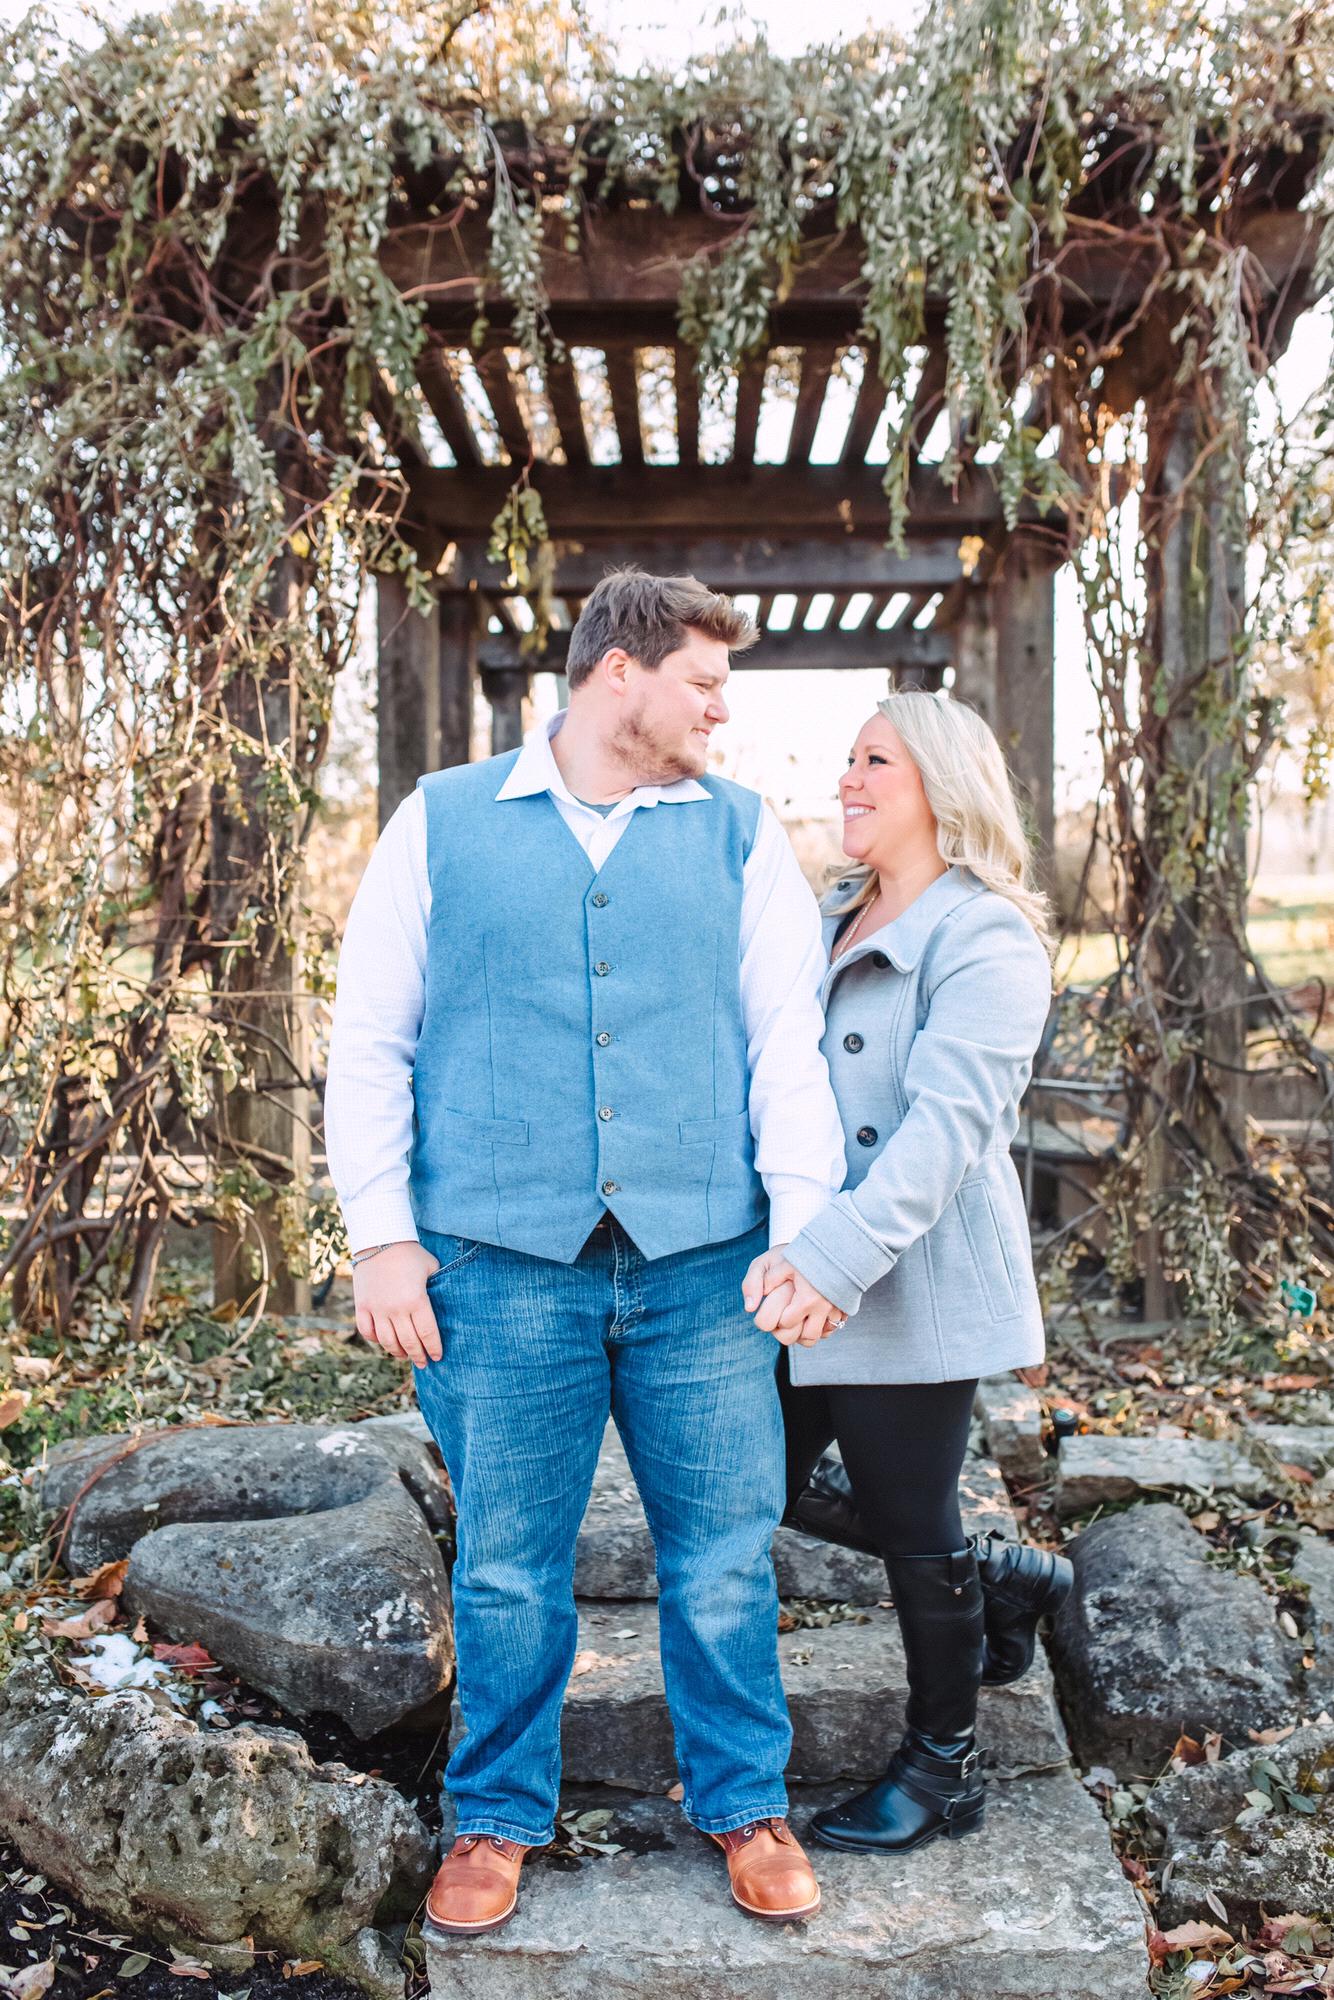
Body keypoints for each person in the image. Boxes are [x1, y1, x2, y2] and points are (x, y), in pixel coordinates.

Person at [323, 568, 848, 1937]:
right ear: (621, 672)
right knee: (507, 1562)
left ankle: (744, 1800)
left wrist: (805, 1236)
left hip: (703, 1262)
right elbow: (369, 1039)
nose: (719, 712)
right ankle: (493, 1818)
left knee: (723, 1556)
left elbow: (786, 1047)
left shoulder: (740, 835)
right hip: (498, 1264)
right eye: (703, 684)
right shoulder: (439, 821)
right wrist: (381, 1238)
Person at [749, 687, 1072, 1856]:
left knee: (909, 1517)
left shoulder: (985, 935)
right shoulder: (831, 912)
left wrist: (831, 1261)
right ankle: (996, 1574)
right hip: (802, 1268)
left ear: (940, 782)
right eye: (847, 757)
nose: (846, 777)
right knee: (752, 1479)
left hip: (906, 1276)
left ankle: (944, 1767)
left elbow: (941, 1136)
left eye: (873, 759)